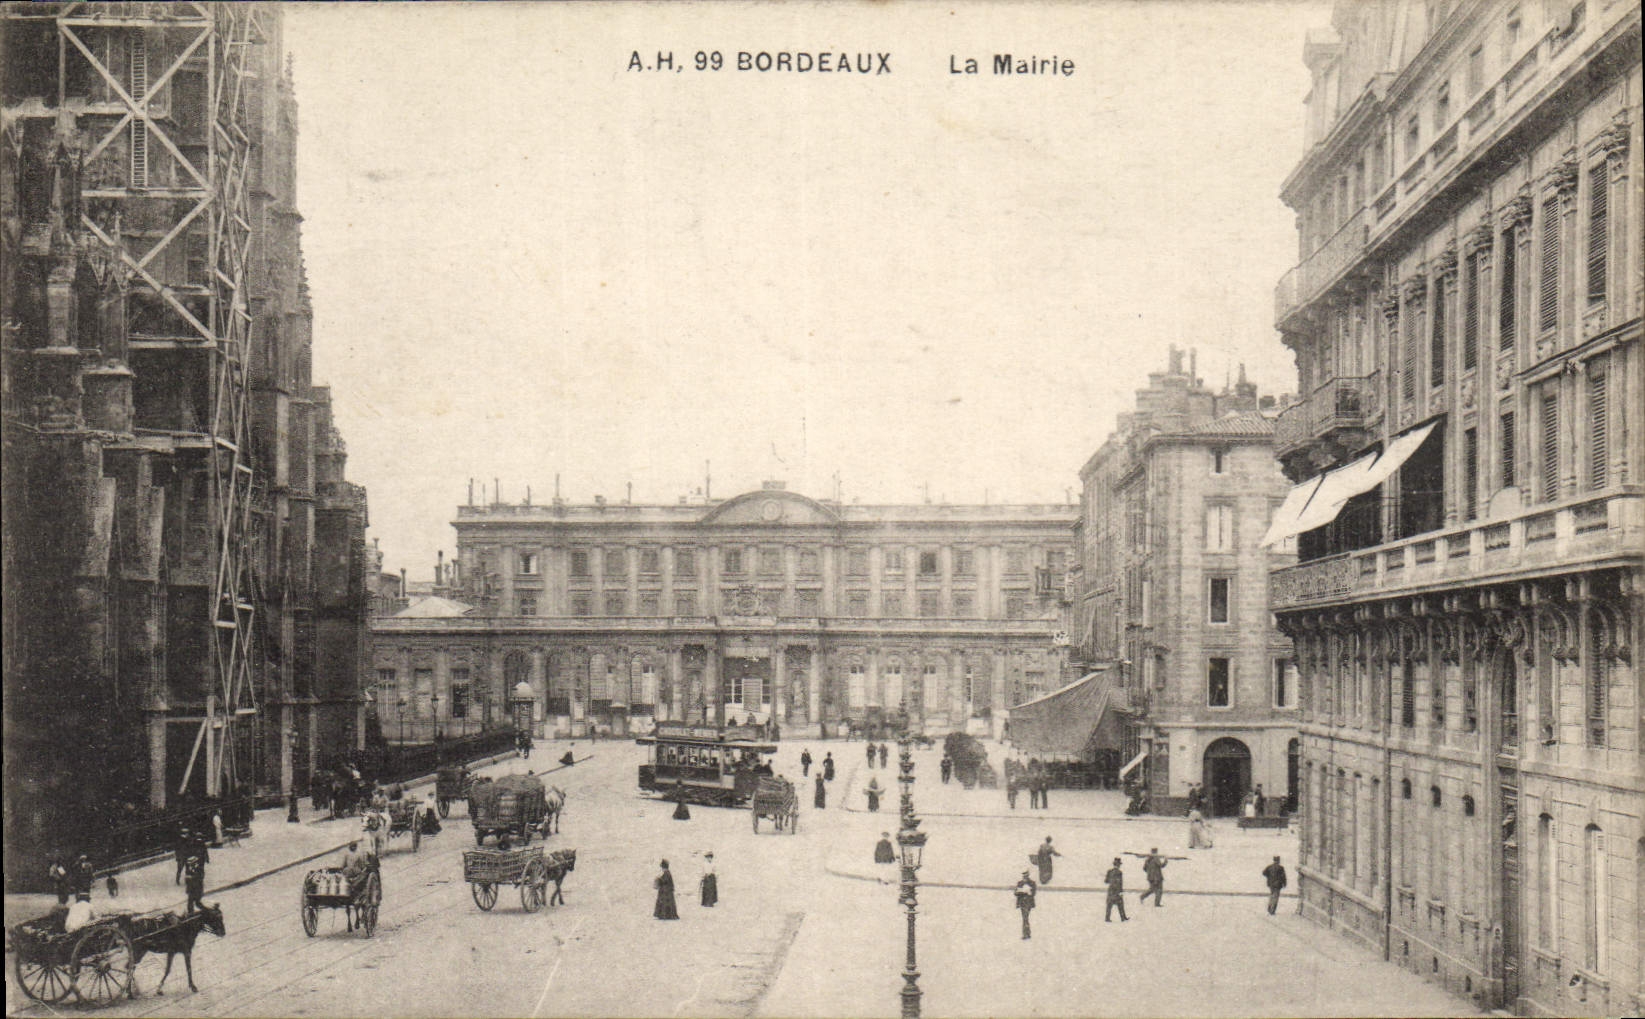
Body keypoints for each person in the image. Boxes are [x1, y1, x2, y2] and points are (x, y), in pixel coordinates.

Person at [1014, 870, 1038, 939]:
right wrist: (1020, 891)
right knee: (1025, 918)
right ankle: (1027, 933)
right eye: (1024, 876)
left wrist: (1028, 892)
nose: (1025, 877)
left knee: (1025, 918)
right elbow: (1015, 893)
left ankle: (1026, 934)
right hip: (1022, 903)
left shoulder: (1032, 883)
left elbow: (1033, 893)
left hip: (1028, 903)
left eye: (1026, 876)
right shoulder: (1020, 883)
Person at [1103, 858, 1129, 922]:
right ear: (1119, 865)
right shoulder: (1119, 872)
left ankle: (1107, 918)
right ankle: (1123, 918)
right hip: (1117, 891)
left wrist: (1109, 878)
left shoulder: (1109, 871)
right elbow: (1120, 883)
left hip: (1110, 890)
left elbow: (1106, 881)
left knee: (1109, 905)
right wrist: (1121, 891)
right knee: (1120, 904)